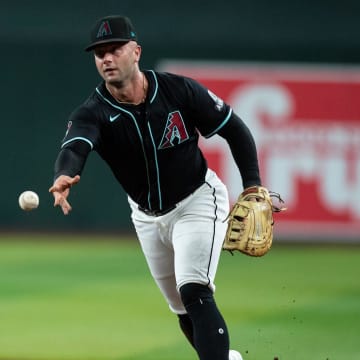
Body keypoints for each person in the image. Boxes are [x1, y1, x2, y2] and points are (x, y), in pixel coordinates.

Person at [49, 15, 262, 360]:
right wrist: (64, 174)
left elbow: (234, 128)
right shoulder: (94, 111)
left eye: (114, 49)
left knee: (194, 290)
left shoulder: (179, 90)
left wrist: (252, 186)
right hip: (146, 216)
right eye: (99, 53)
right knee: (181, 307)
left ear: (135, 52)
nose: (106, 58)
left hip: (197, 200)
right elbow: (74, 147)